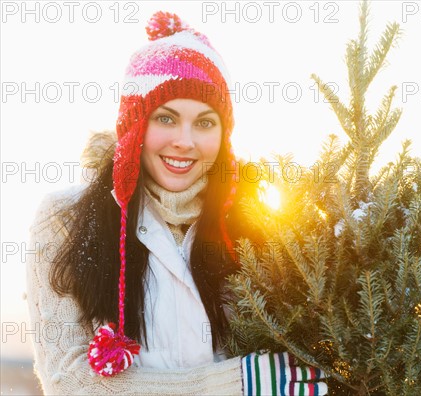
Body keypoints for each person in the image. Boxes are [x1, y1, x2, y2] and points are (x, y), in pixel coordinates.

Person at [25, 11, 328, 395]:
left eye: (205, 123)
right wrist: (232, 384)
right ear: (135, 126)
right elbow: (69, 381)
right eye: (166, 119)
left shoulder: (255, 226)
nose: (185, 141)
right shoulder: (65, 220)